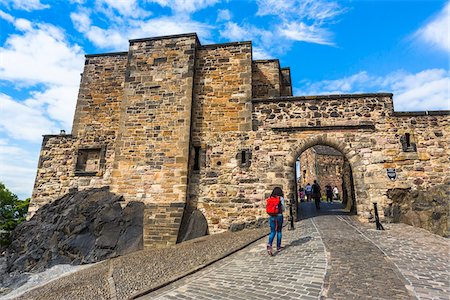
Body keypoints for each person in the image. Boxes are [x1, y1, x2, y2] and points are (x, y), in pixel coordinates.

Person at [266, 187, 285, 256]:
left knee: (273, 231)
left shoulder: (271, 198)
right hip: (279, 215)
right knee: (279, 231)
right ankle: (278, 246)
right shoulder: (281, 198)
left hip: (272, 216)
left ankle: (269, 244)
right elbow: (283, 208)